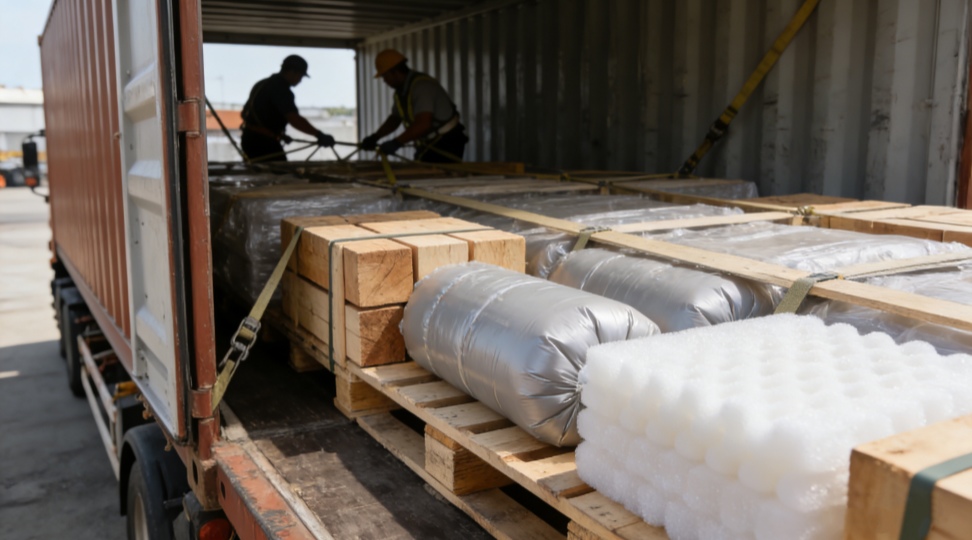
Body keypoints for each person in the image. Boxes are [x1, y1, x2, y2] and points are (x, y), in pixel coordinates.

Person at [360, 49, 468, 163]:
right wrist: (375, 137)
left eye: (385, 76)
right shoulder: (402, 92)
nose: (384, 81)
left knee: (431, 177)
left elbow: (423, 124)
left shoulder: (422, 87)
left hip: (447, 141)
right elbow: (395, 119)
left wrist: (397, 142)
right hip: (431, 142)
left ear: (395, 72)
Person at [240, 55, 335, 161]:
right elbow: (294, 119)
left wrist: (278, 134)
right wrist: (319, 135)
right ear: (292, 72)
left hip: (249, 139)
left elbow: (244, 113)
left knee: (266, 174)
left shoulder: (262, 84)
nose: (300, 80)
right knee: (282, 175)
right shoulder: (281, 90)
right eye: (301, 76)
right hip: (262, 143)